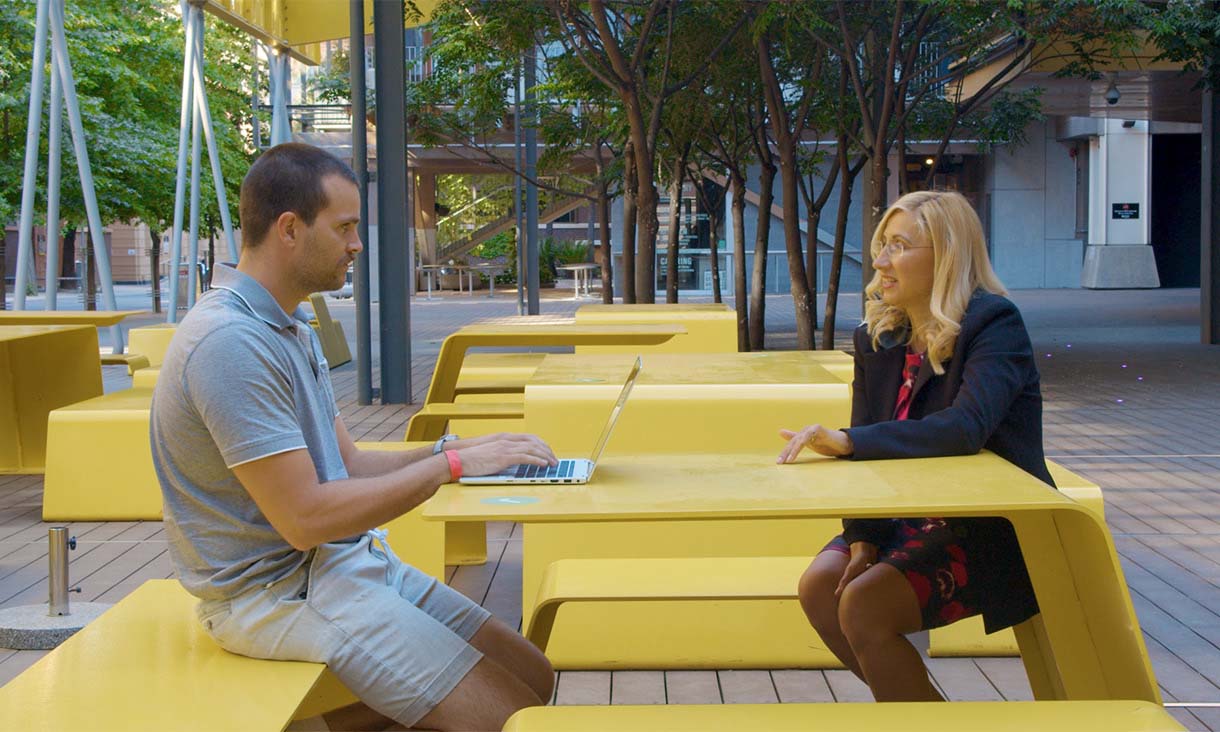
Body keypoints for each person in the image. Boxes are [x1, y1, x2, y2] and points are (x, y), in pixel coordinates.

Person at [151, 143, 557, 731]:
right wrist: (451, 471)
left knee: (532, 675)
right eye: (344, 227)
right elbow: (306, 518)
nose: (356, 244)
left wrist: (449, 450)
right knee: (506, 716)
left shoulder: (289, 323)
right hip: (276, 593)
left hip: (341, 565)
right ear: (289, 229)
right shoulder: (229, 343)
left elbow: (351, 466)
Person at [776, 190, 1054, 702]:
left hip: (991, 525)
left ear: (945, 256)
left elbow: (964, 427)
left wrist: (846, 441)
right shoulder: (879, 337)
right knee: (820, 588)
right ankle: (924, 712)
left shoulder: (993, 324)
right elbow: (863, 448)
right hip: (906, 516)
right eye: (883, 245)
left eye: (899, 246)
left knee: (863, 604)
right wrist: (863, 534)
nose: (881, 260)